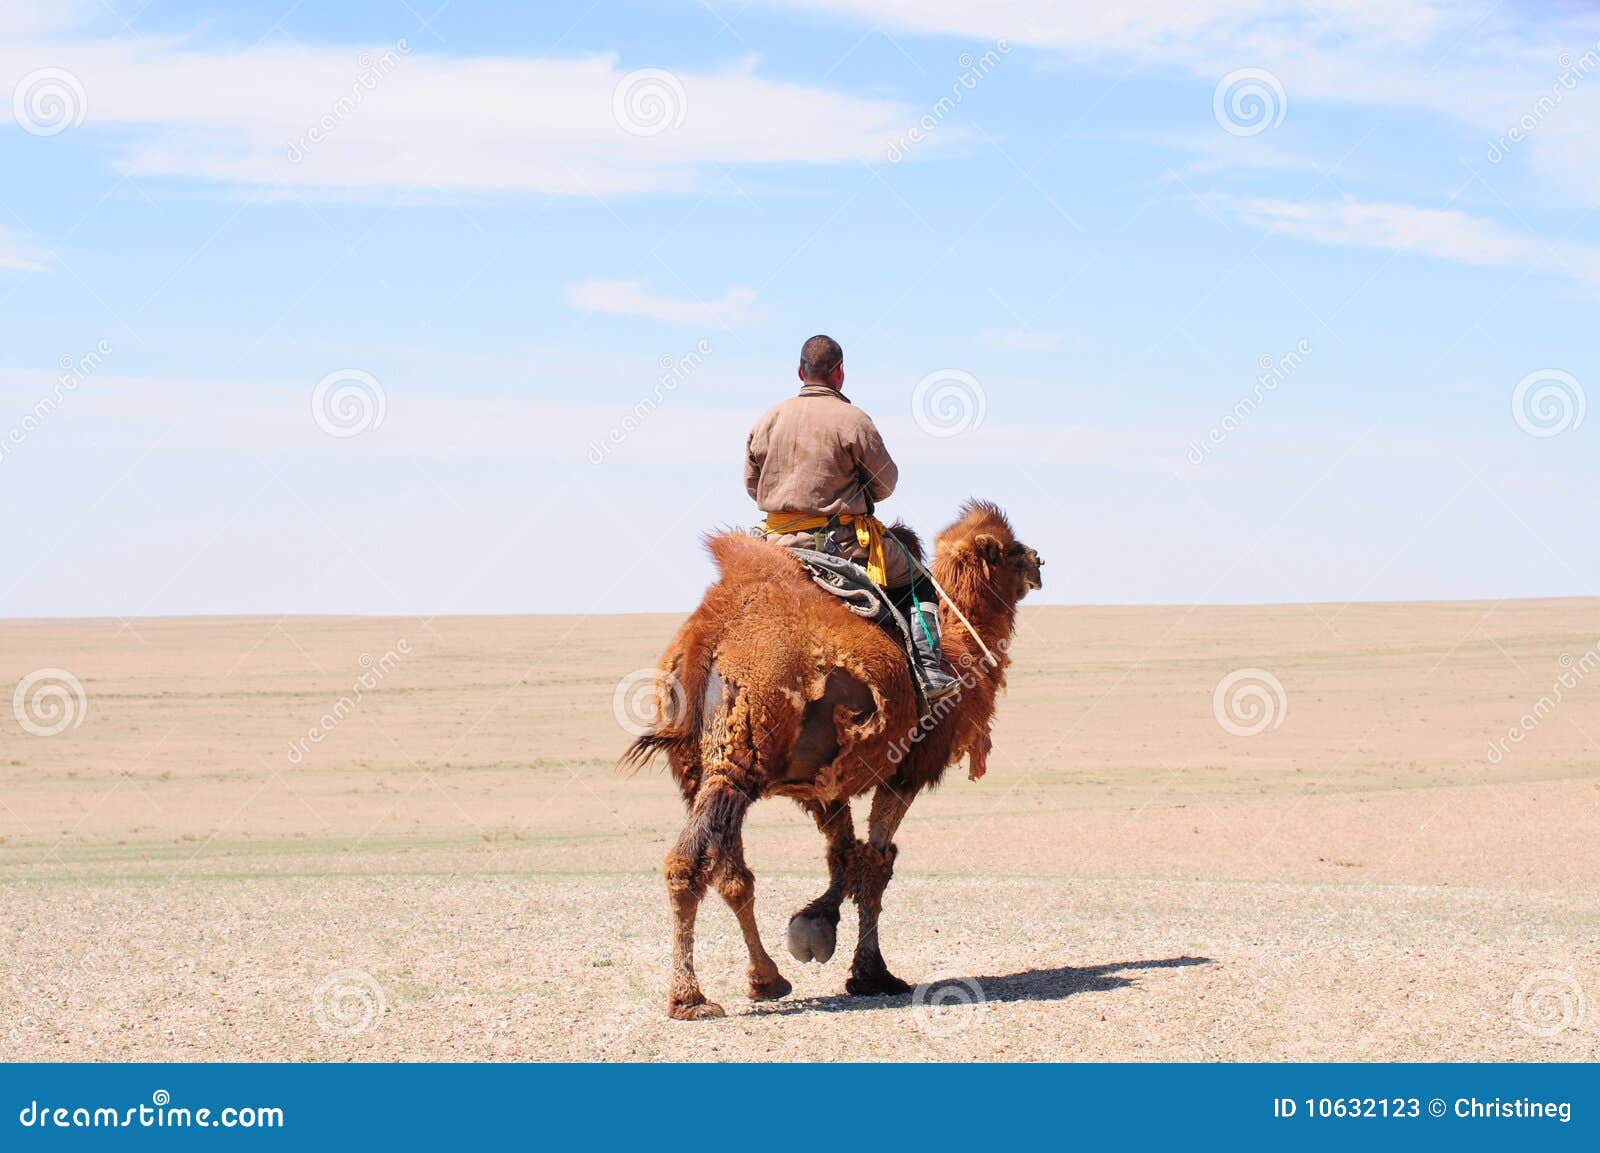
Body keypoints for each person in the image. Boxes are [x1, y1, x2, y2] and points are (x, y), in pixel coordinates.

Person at [745, 334, 958, 700]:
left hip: (775, 546)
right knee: (919, 581)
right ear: (840, 373)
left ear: (800, 371)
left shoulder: (768, 418)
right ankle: (928, 671)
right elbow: (885, 483)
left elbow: (752, 485)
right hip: (840, 546)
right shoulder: (853, 420)